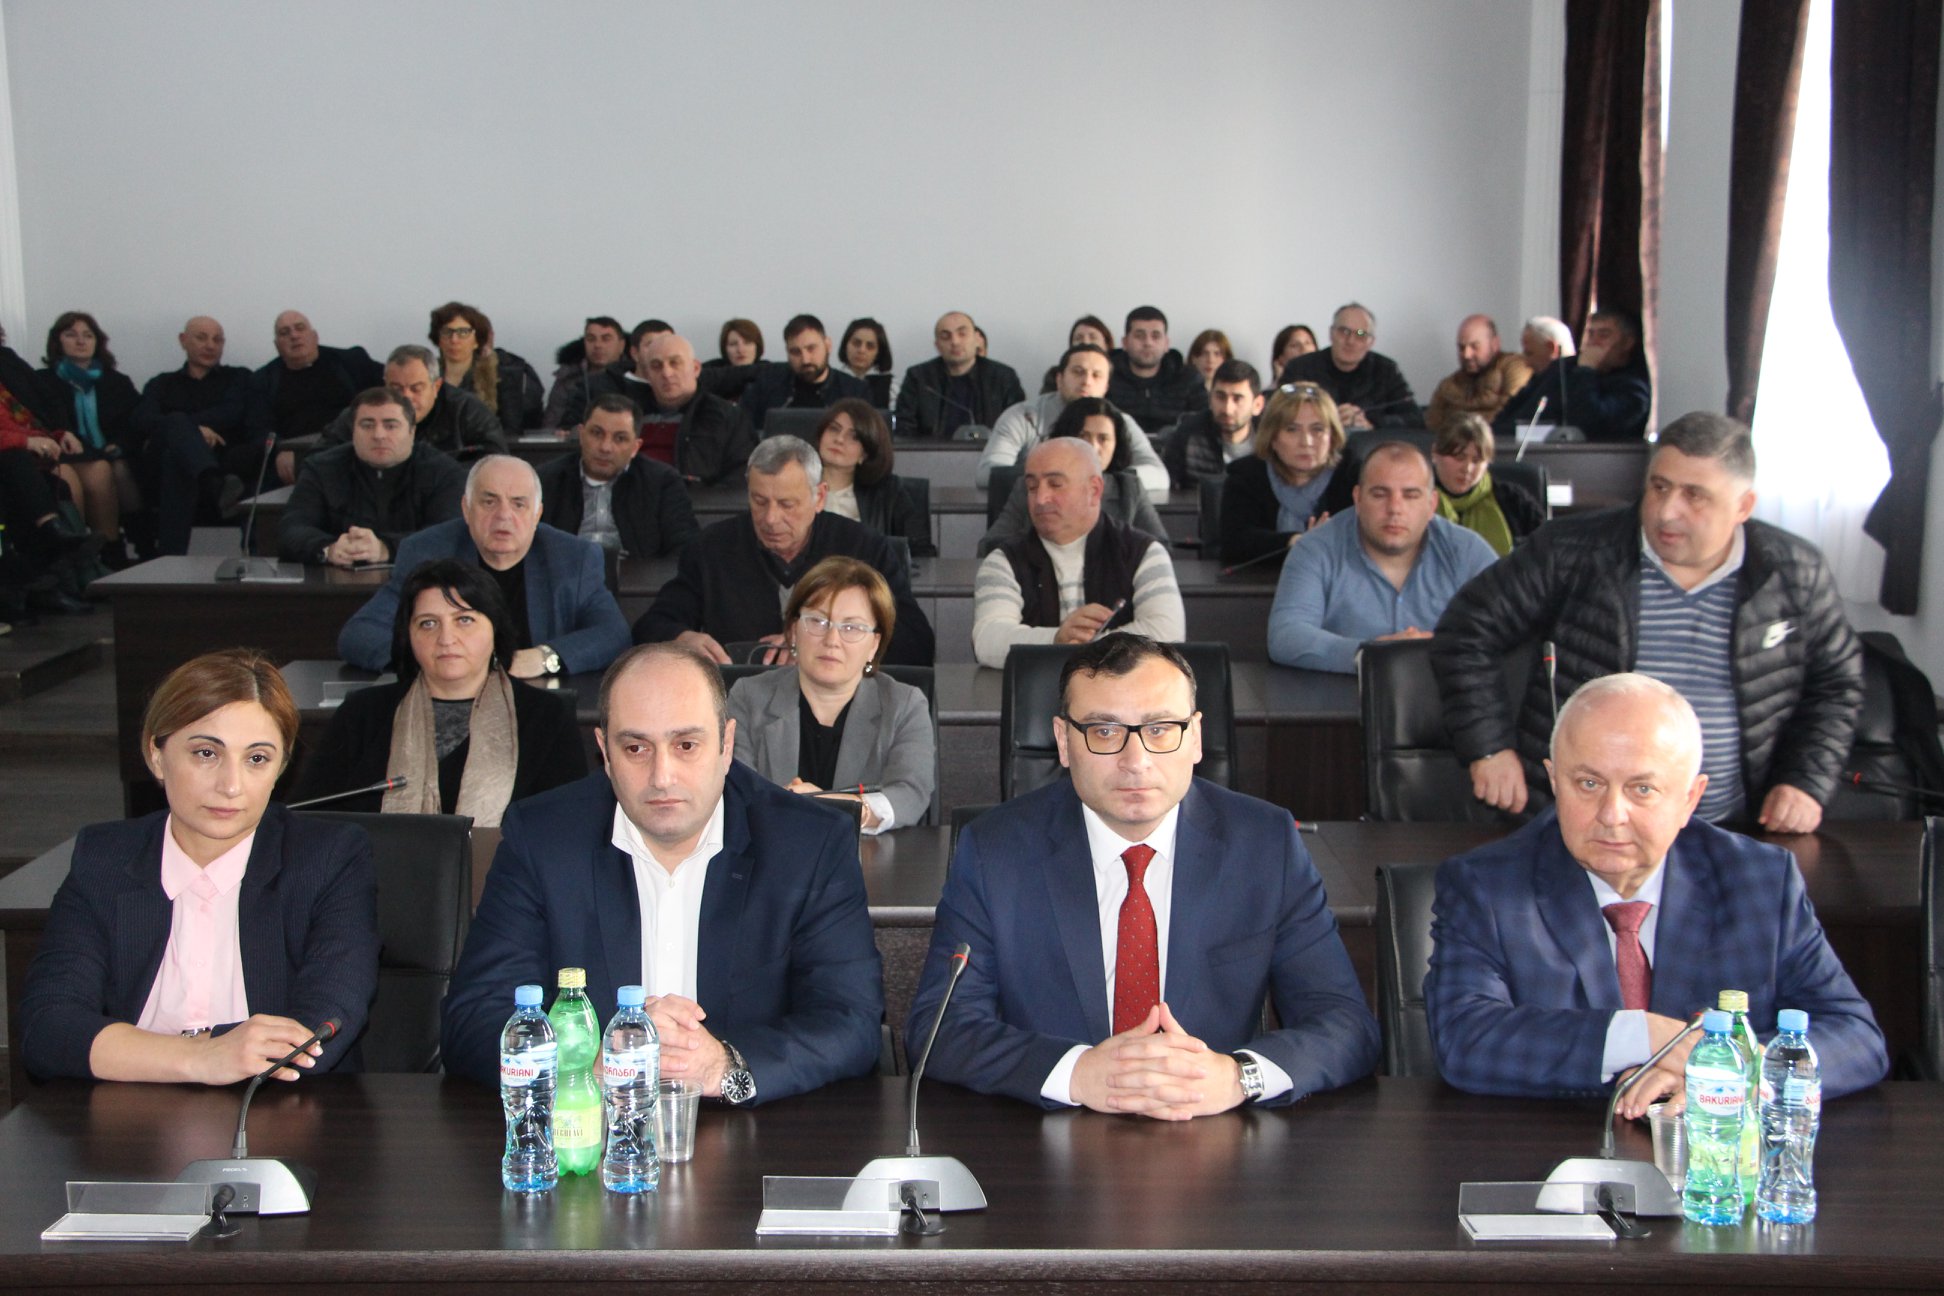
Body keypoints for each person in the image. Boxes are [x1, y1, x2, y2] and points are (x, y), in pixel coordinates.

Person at [908, 632, 1379, 1113]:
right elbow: (940, 1028)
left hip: (1214, 1132)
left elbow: (1346, 1024)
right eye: (1104, 732)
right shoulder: (995, 850)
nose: (1135, 762)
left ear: (1195, 737)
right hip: (1048, 1136)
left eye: (1160, 729)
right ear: (1063, 742)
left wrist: (1238, 1076)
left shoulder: (1263, 844)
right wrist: (1077, 1073)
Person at [439, 643, 884, 1103]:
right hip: (592, 1130)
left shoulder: (808, 843)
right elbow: (474, 1017)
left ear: (726, 745)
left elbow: (850, 1021)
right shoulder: (542, 839)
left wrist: (724, 1065)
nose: (662, 776)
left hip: (754, 1131)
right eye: (636, 748)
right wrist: (582, 1068)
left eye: (686, 745)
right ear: (604, 752)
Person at [1424, 673, 1887, 1111]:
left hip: (1712, 1152)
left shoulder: (1760, 880)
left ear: (1690, 799)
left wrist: (1728, 1073)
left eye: (1642, 789)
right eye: (1588, 783)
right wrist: (1646, 1037)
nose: (1612, 814)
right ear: (1554, 780)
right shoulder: (1487, 885)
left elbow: (1856, 1037)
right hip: (1553, 1148)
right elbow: (1465, 1039)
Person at [1432, 412, 1864, 833]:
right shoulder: (1573, 551)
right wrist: (1488, 747)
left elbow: (1836, 684)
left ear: (1743, 506)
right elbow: (1466, 630)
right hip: (1582, 826)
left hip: (1731, 830)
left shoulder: (1793, 572)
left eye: (1694, 495)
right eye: (1659, 487)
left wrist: (1805, 782)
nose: (1666, 511)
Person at [18, 649, 378, 1083]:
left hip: (278, 1111)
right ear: (156, 754)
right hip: (130, 1112)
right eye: (206, 753)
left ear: (281, 767)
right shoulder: (105, 858)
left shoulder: (328, 859)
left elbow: (320, 1030)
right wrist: (201, 1056)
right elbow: (48, 1026)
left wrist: (151, 1051)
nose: (231, 785)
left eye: (257, 759)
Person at [294, 559, 585, 823]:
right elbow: (309, 818)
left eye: (464, 620)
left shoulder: (546, 717)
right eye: (428, 623)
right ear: (408, 635)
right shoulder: (362, 713)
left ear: (495, 630)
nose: (446, 638)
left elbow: (569, 826)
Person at [632, 435, 935, 667]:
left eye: (787, 504)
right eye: (759, 501)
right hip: (741, 704)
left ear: (819, 497)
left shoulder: (864, 549)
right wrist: (681, 638)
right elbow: (652, 625)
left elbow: (917, 641)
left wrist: (823, 642)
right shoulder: (711, 548)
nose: (771, 518)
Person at [338, 454, 631, 679]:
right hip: (449, 696)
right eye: (489, 502)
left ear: (537, 514)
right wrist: (434, 661)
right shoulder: (427, 552)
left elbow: (613, 633)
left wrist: (545, 657)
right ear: (466, 509)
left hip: (537, 698)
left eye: (518, 504)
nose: (503, 516)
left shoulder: (572, 558)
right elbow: (360, 633)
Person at [725, 556, 935, 834]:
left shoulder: (904, 706)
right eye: (818, 621)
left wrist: (834, 808)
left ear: (874, 644)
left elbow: (911, 793)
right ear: (793, 631)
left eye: (851, 627)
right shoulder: (748, 697)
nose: (832, 641)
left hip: (866, 857)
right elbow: (734, 790)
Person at [1267, 442, 1497, 674]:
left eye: (1410, 495)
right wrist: (1370, 654)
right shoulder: (1315, 548)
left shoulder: (1467, 551)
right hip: (1344, 693)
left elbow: (1510, 625)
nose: (1394, 508)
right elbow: (1286, 636)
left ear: (1431, 504)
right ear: (1358, 499)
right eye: (1380, 494)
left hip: (1447, 691)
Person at [971, 438, 1184, 669]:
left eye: (1055, 484)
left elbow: (1168, 632)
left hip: (1122, 690)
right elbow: (987, 641)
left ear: (1094, 490)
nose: (1040, 499)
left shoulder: (1143, 552)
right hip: (1036, 690)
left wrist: (1083, 649)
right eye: (1032, 487)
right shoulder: (1003, 560)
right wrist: (1056, 639)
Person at [280, 387, 464, 566]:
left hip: (419, 580)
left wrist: (386, 548)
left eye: (390, 425)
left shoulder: (444, 472)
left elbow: (450, 535)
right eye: (367, 425)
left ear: (412, 431)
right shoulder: (321, 469)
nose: (378, 435)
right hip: (332, 580)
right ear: (352, 431)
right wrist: (329, 548)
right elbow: (292, 529)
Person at [132, 315, 262, 555]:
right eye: (202, 338)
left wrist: (186, 428)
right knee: (174, 426)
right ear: (183, 340)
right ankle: (213, 482)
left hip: (220, 461)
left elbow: (232, 412)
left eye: (217, 340)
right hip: (162, 470)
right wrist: (191, 429)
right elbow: (143, 419)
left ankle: (170, 560)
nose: (210, 345)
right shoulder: (162, 383)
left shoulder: (239, 377)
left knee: (177, 460)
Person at [979, 396, 1166, 557]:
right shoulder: (1030, 486)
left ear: (1116, 445)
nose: (1093, 447)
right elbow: (991, 545)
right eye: (1083, 436)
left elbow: (1160, 547)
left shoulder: (1129, 488)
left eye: (1103, 438)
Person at [980, 343, 1168, 492]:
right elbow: (988, 473)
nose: (1086, 381)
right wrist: (1055, 480)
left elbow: (1159, 475)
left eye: (1096, 375)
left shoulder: (1119, 422)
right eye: (1078, 372)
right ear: (1059, 379)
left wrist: (1106, 481)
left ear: (1106, 387)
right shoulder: (1022, 416)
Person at [536, 393, 697, 559]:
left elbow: (684, 548)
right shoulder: (546, 480)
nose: (605, 447)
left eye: (620, 438)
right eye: (597, 433)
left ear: (635, 447)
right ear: (582, 435)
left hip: (636, 574)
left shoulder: (662, 482)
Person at [1218, 383, 1360, 568]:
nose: (1306, 442)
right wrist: (1296, 541)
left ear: (1332, 437)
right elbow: (1234, 543)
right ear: (1272, 437)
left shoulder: (1353, 475)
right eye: (1292, 429)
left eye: (1317, 429)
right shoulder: (1246, 475)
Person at [39, 311, 141, 561]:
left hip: (107, 452)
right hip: (65, 454)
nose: (80, 341)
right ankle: (77, 556)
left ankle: (111, 551)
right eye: (71, 335)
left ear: (98, 341)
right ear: (57, 341)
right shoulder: (42, 381)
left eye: (88, 335)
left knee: (105, 470)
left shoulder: (117, 382)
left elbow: (134, 424)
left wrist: (118, 445)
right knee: (81, 475)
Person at [593, 331, 755, 485]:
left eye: (675, 363)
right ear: (647, 375)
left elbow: (742, 477)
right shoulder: (628, 415)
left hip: (698, 501)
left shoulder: (728, 417)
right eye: (656, 366)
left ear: (696, 369)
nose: (666, 373)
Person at [256, 311, 385, 484]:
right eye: (284, 333)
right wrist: (280, 450)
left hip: (351, 444)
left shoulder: (351, 361)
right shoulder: (264, 380)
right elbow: (259, 425)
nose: (294, 336)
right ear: (277, 345)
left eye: (300, 328)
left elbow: (392, 383)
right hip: (298, 453)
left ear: (315, 336)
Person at [320, 344, 504, 462]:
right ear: (385, 385)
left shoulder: (467, 411)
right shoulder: (363, 412)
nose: (406, 397)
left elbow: (496, 462)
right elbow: (319, 458)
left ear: (436, 386)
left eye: (416, 388)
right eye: (396, 389)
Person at [813, 399, 931, 556]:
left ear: (865, 454)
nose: (839, 439)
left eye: (854, 437)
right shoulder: (796, 487)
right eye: (834, 429)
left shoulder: (889, 493)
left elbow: (920, 554)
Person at [1277, 303, 1418, 430]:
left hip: (1367, 446)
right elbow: (1278, 414)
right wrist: (1326, 418)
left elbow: (1414, 418)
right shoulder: (1300, 367)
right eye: (1344, 331)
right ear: (1331, 334)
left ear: (1371, 342)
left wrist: (1371, 422)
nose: (1350, 341)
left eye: (1361, 334)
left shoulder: (1386, 370)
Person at [894, 311, 1025, 439]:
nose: (955, 342)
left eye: (962, 334)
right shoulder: (918, 378)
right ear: (937, 345)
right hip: (932, 452)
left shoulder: (1002, 377)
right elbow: (904, 428)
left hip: (991, 451)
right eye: (946, 336)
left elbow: (1018, 426)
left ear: (977, 339)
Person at [1430, 413, 1545, 556]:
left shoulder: (1514, 501)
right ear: (1435, 453)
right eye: (1459, 457)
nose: (1467, 469)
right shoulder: (1415, 498)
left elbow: (1545, 552)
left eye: (1477, 460)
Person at [429, 301, 543, 442]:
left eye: (463, 332)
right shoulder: (425, 375)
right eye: (447, 332)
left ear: (477, 340)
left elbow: (510, 430)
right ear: (438, 339)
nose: (454, 340)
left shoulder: (502, 376)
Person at [740, 314, 871, 429]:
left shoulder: (855, 392)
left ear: (828, 345)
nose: (805, 359)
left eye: (811, 348)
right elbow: (746, 432)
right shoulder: (765, 385)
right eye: (795, 352)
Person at [1164, 359, 1264, 489]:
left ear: (1257, 405)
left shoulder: (1272, 439)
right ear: (1210, 398)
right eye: (1220, 397)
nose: (1227, 409)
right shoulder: (1187, 433)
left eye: (1237, 399)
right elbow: (1168, 487)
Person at [1107, 306, 1206, 435]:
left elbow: (1204, 425)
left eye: (1156, 336)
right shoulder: (1106, 376)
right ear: (1125, 343)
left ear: (1166, 344)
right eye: (1139, 336)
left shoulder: (1188, 379)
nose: (1148, 343)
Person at [1425, 314, 1531, 432]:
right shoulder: (1449, 385)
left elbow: (1510, 415)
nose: (1467, 355)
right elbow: (1433, 423)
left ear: (1494, 344)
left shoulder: (1516, 367)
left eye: (1475, 347)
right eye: (1461, 348)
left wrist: (1456, 416)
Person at [1565, 309, 1653, 441]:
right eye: (1590, 334)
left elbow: (1589, 423)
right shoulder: (1569, 369)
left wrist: (1586, 370)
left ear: (1627, 342)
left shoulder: (1634, 388)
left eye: (1603, 335)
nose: (1593, 342)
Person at [1493, 314, 1581, 435]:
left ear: (1552, 348)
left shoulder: (1567, 382)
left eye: (1529, 353)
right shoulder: (1536, 379)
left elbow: (1517, 424)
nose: (1526, 363)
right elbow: (1501, 421)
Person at [542, 314, 627, 433]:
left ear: (621, 345)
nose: (598, 345)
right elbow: (551, 424)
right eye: (591, 339)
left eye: (606, 339)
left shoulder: (633, 377)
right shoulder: (568, 378)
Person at [837, 316, 898, 408]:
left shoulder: (891, 387)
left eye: (870, 346)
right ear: (845, 345)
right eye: (856, 343)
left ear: (879, 352)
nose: (861, 350)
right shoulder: (830, 381)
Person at [699, 317, 764, 404]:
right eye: (733, 344)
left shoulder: (769, 373)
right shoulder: (709, 373)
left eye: (747, 343)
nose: (740, 350)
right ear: (725, 348)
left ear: (757, 346)